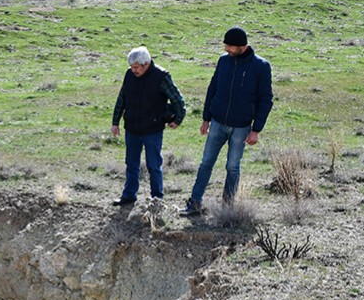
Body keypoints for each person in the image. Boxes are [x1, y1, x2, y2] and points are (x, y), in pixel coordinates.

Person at [180, 26, 274, 216]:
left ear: (243, 46)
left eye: (231, 47)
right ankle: (195, 203)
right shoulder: (224, 61)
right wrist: (206, 118)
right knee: (206, 162)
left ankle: (227, 208)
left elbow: (266, 99)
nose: (227, 50)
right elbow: (212, 89)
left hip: (242, 127)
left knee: (232, 167)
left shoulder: (261, 67)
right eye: (226, 46)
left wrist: (256, 130)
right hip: (217, 123)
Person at [110, 46, 185, 207]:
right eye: (131, 67)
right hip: (132, 128)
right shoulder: (129, 75)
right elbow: (121, 98)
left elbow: (178, 100)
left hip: (152, 130)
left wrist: (178, 120)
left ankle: (157, 198)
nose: (133, 70)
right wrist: (115, 122)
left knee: (153, 166)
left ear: (145, 64)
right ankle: (129, 196)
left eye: (136, 67)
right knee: (131, 164)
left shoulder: (162, 77)